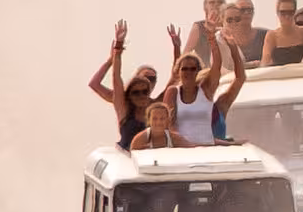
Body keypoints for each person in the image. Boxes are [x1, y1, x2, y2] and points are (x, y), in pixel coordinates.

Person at [88, 19, 174, 150]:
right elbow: (113, 78)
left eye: (151, 79)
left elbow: (175, 78)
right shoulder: (123, 104)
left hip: (149, 157)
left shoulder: (155, 105)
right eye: (136, 92)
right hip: (127, 154)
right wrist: (116, 51)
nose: (141, 94)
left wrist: (177, 47)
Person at [163, 21, 246, 146]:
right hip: (182, 149)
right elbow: (170, 125)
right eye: (185, 69)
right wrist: (187, 144)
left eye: (193, 69)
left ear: (198, 72)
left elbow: (219, 66)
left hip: (209, 148)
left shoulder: (210, 94)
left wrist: (214, 40)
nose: (188, 73)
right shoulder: (173, 92)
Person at [259, 0, 303, 67]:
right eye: (283, 13)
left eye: (290, 12)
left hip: (302, 73)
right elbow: (265, 62)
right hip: (281, 76)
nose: (287, 16)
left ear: (295, 12)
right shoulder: (272, 36)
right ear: (277, 13)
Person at [183, 0, 226, 69]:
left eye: (220, 2)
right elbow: (185, 55)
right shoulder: (199, 27)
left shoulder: (229, 26)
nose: (216, 5)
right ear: (205, 7)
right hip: (205, 74)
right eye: (212, 2)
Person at [220, 0, 268, 67]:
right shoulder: (222, 38)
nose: (246, 13)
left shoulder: (265, 35)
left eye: (250, 10)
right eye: (242, 10)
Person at [129, 101, 193, 150]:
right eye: (154, 119)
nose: (158, 122)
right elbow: (133, 161)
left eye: (162, 118)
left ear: (168, 120)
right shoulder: (140, 139)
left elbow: (193, 149)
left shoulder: (174, 138)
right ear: (149, 120)